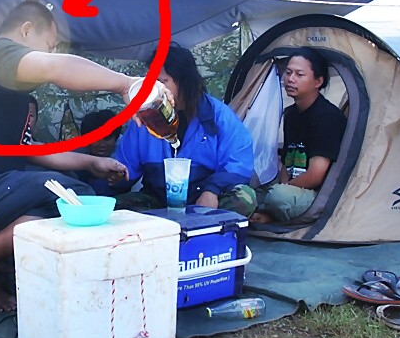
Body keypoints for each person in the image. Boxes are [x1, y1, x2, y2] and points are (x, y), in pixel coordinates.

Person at [0, 0, 170, 312]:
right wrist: (127, 84)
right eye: (49, 45)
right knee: (74, 197)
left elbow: (34, 152)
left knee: (64, 186)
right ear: (27, 31)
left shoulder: (9, 96)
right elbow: (55, 68)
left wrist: (90, 162)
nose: (50, 53)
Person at [113, 45, 256, 214]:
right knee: (116, 206)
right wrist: (111, 178)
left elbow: (239, 163)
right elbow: (124, 167)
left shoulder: (218, 116)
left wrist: (212, 191)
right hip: (158, 200)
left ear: (184, 80)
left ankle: (203, 227)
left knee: (245, 198)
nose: (156, 88)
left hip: (203, 199)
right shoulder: (145, 117)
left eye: (162, 82)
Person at [247, 47, 347, 224]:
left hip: (319, 195)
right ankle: (271, 213)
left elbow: (316, 175)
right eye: (288, 73)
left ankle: (270, 213)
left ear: (318, 81)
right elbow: (287, 163)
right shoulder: (291, 115)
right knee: (249, 191)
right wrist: (282, 186)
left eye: (299, 74)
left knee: (277, 196)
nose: (290, 79)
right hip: (292, 189)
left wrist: (282, 189)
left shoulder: (327, 117)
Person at [74, 109, 124, 195]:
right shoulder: (76, 153)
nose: (102, 144)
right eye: (96, 139)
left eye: (107, 138)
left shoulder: (126, 152)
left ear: (116, 137)